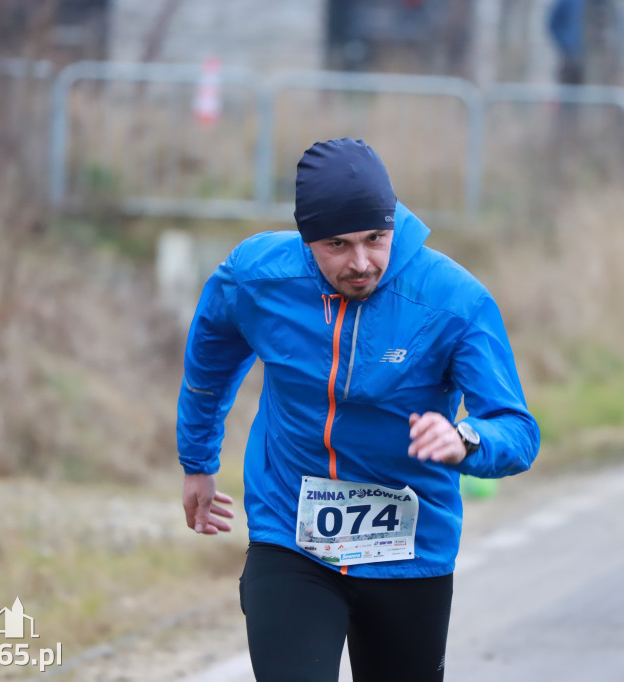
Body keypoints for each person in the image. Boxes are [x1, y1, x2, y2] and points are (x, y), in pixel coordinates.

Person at [176, 138, 540, 682]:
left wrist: (466, 440)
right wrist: (197, 461)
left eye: (376, 238)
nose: (361, 262)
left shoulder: (452, 300)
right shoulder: (256, 277)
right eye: (337, 246)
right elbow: (209, 362)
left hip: (410, 550)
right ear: (306, 240)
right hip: (291, 534)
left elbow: (518, 430)